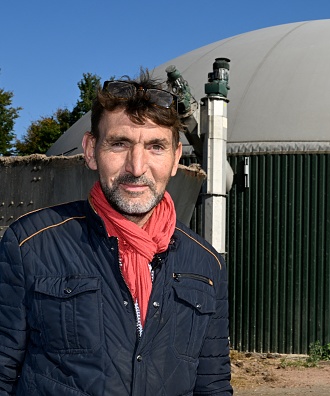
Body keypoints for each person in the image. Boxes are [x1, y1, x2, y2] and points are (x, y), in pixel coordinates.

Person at [0, 70, 233, 395]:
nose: (136, 167)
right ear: (91, 150)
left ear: (176, 158)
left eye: (155, 146)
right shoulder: (29, 246)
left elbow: (213, 386)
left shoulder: (206, 266)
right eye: (119, 144)